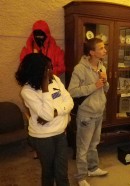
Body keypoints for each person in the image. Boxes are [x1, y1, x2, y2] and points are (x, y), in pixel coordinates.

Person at [15, 53, 74, 186]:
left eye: (51, 67)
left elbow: (70, 102)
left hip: (60, 133)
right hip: (42, 137)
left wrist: (55, 111)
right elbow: (47, 115)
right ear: (37, 71)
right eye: (47, 69)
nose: (51, 71)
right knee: (49, 172)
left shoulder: (56, 80)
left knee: (62, 172)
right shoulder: (27, 91)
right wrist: (45, 87)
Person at [68, 38, 109, 186]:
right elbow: (71, 92)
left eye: (104, 47)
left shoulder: (102, 66)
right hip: (86, 114)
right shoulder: (80, 68)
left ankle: (92, 168)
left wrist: (105, 82)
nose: (105, 50)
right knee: (83, 148)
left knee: (94, 144)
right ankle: (80, 177)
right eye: (101, 48)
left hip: (99, 112)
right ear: (92, 52)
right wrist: (94, 85)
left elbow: (105, 89)